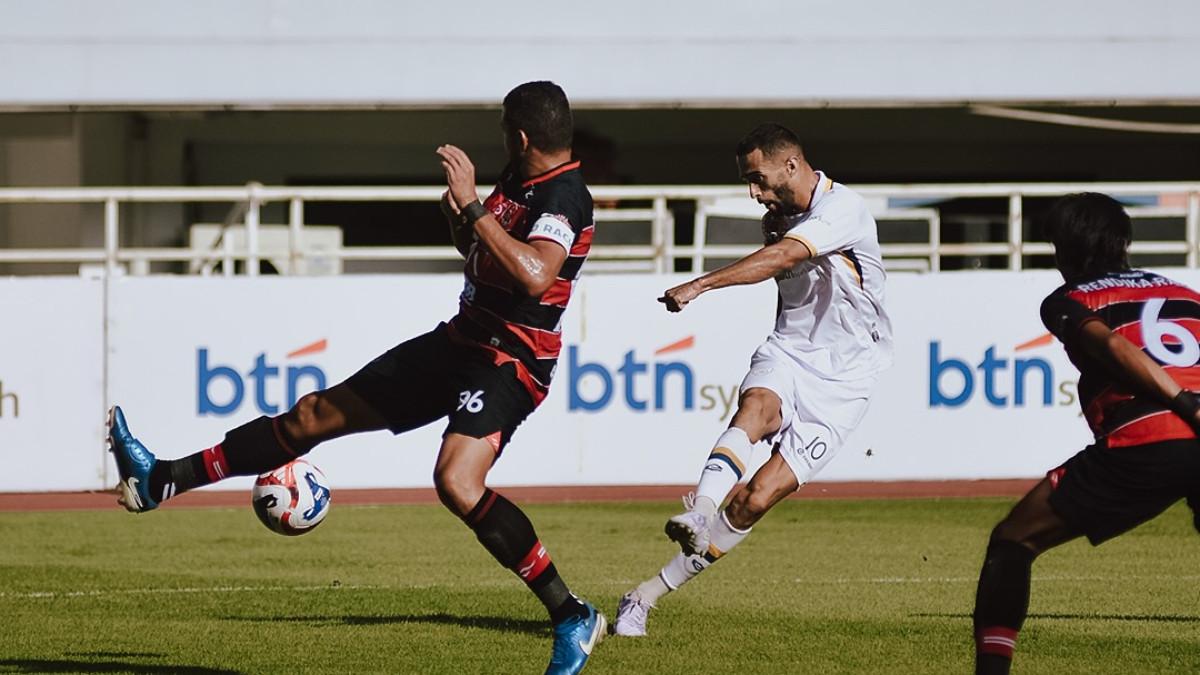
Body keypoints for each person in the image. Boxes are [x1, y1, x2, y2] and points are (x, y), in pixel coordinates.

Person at [107, 80, 605, 675]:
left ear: (521, 136)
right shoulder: (519, 181)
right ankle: (164, 478)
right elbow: (486, 255)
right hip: (459, 341)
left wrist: (473, 206)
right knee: (312, 416)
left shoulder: (565, 195)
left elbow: (532, 275)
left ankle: (571, 614)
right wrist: (460, 223)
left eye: (503, 128)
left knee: (456, 481)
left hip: (511, 361)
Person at [613, 122, 893, 636]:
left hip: (847, 380)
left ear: (792, 164)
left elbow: (786, 257)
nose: (753, 192)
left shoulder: (842, 210)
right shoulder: (778, 217)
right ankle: (699, 509)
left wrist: (701, 284)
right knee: (757, 410)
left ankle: (644, 595)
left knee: (755, 499)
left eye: (758, 179)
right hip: (788, 350)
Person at [971, 193, 1200, 675]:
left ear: (1063, 250)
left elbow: (1112, 345)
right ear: (1125, 242)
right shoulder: (1187, 294)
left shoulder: (1070, 299)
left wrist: (1182, 403)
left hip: (1150, 439)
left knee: (1013, 541)